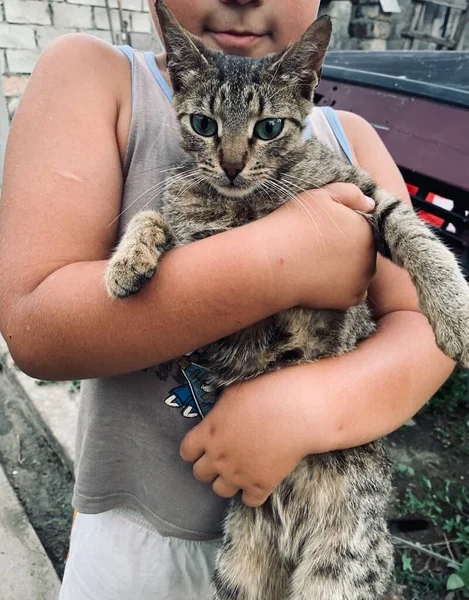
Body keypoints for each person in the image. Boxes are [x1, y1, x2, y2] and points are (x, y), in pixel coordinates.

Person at [0, 0, 454, 598]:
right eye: (208, 127)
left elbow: (428, 325)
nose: (235, 163)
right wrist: (283, 256)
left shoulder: (349, 143)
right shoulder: (93, 79)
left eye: (266, 129)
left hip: (330, 508)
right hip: (132, 538)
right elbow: (35, 328)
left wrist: (306, 405)